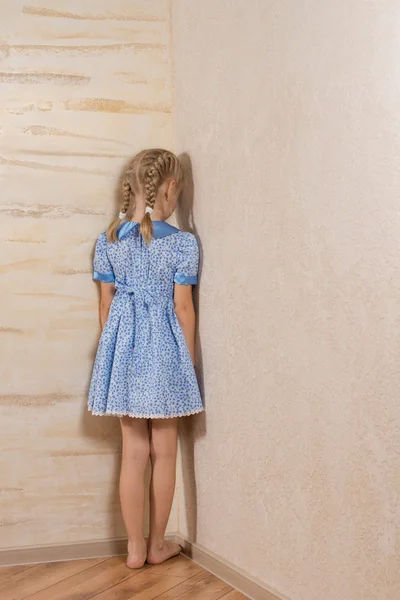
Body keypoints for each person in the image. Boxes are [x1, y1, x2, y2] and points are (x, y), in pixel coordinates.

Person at [88, 149, 203, 568]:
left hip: (123, 353)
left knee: (133, 452)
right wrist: (186, 364)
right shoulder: (183, 244)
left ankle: (135, 549)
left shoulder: (109, 241)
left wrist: (115, 356)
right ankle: (158, 545)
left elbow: (106, 307)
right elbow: (183, 309)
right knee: (165, 451)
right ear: (170, 189)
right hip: (164, 354)